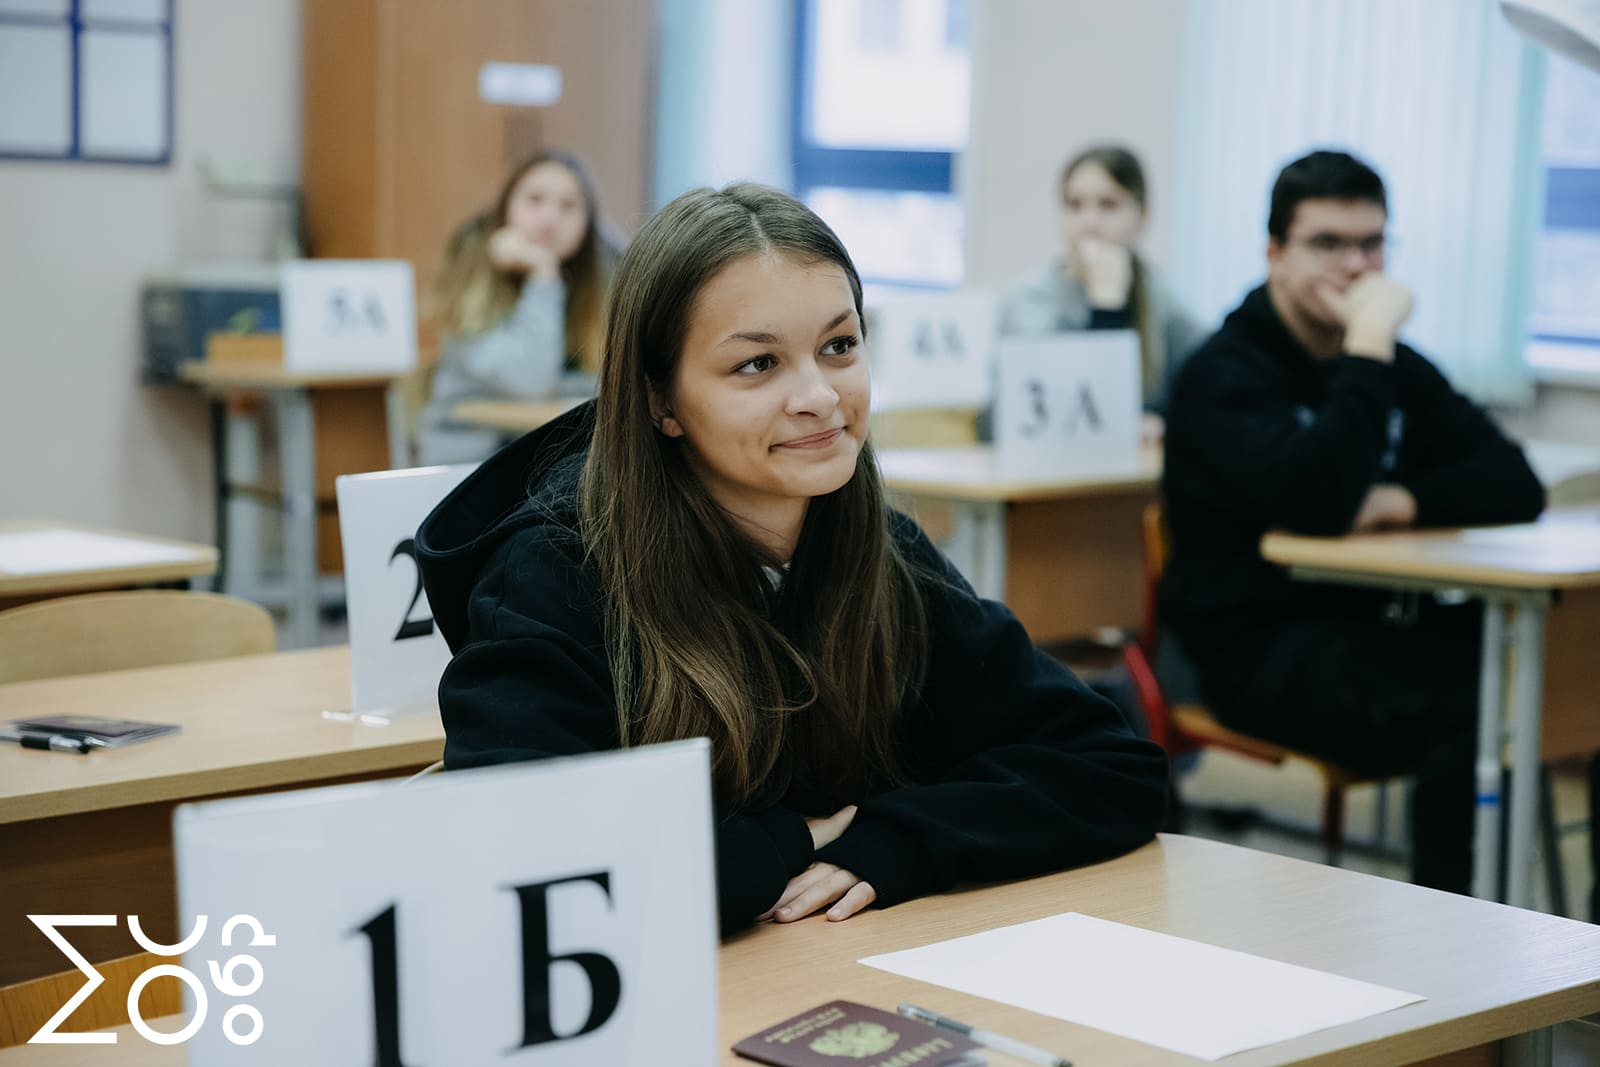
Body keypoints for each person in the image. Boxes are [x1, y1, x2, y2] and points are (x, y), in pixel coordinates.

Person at [416, 183, 1168, 934]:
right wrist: (792, 838)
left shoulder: (885, 555)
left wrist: (900, 838)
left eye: (839, 346)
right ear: (660, 402)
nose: (819, 395)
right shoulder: (557, 573)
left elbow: (1112, 765)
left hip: (828, 976)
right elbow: (518, 859)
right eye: (757, 365)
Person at [1160, 149, 1546, 893]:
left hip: (1374, 627)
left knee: (1563, 673)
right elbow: (1320, 497)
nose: (1356, 267)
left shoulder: (1393, 366)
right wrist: (1367, 344)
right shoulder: (1223, 373)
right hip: (1259, 647)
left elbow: (1514, 480)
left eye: (1372, 244)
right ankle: (1463, 945)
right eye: (1328, 244)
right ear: (1275, 252)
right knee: (1471, 710)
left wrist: (1401, 499)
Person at [418, 148, 618, 465]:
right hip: (468, 468)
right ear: (505, 207)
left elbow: (614, 382)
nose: (550, 217)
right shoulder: (473, 273)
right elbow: (529, 383)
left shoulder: (602, 275)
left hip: (552, 463)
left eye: (569, 206)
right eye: (535, 200)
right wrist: (543, 276)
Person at [999, 145, 1207, 442]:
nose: (1089, 222)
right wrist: (1107, 305)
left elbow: (1206, 383)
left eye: (1108, 205)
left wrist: (1163, 422)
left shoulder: (1158, 293)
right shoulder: (1031, 301)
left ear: (1143, 215)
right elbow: (1063, 415)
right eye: (1074, 205)